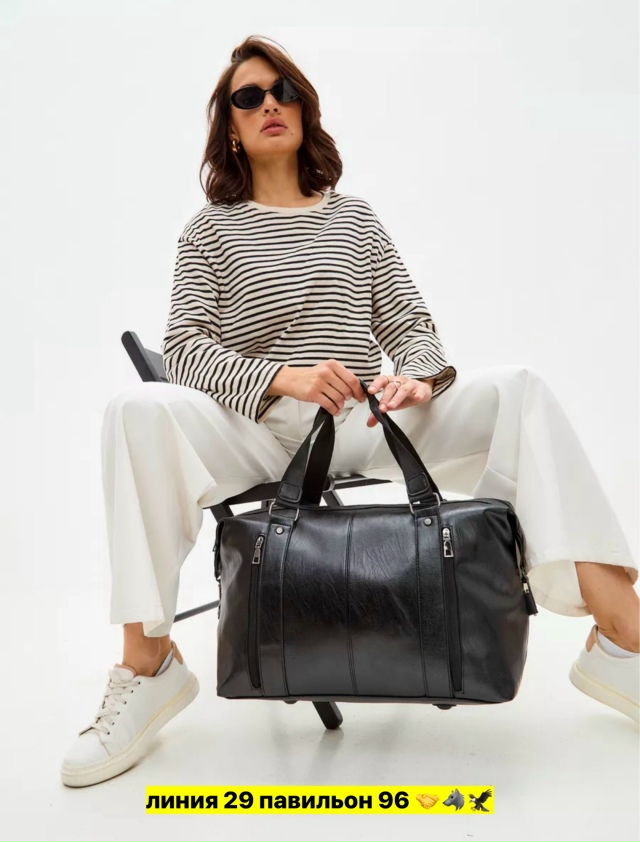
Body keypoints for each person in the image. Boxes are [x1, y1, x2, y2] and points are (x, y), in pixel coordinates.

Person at [60, 35, 639, 788]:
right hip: (257, 429)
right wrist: (285, 379)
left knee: (519, 388)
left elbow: (411, 323)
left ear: (305, 110)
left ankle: (622, 638)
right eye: (248, 97)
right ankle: (148, 666)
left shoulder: (355, 219)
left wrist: (419, 378)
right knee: (135, 408)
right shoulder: (210, 230)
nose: (270, 104)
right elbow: (187, 349)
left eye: (284, 92)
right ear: (230, 127)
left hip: (363, 421)